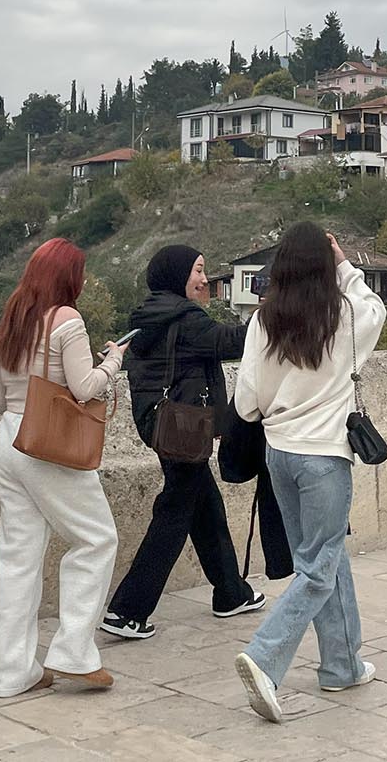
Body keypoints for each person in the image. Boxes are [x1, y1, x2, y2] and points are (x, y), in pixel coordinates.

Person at [229, 223, 385, 724]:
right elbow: (375, 309)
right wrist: (343, 264)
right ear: (324, 263)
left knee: (321, 558)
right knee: (321, 566)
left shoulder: (261, 321)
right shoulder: (345, 316)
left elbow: (246, 404)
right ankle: (265, 656)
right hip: (324, 456)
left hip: (280, 454)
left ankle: (341, 665)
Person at [0, 238, 130, 696]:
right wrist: (114, 362)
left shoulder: (14, 318)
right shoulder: (67, 320)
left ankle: (12, 672)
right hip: (46, 444)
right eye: (80, 273)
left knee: (17, 558)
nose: (84, 281)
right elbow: (85, 388)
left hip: (8, 439)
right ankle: (72, 652)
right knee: (97, 539)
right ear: (68, 278)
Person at [101, 245, 266, 640]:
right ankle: (127, 610)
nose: (204, 279)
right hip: (185, 427)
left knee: (204, 506)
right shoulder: (185, 317)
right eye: (197, 270)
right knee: (174, 513)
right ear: (177, 274)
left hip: (166, 424)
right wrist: (272, 314)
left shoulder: (151, 315)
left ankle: (230, 592)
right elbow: (232, 341)